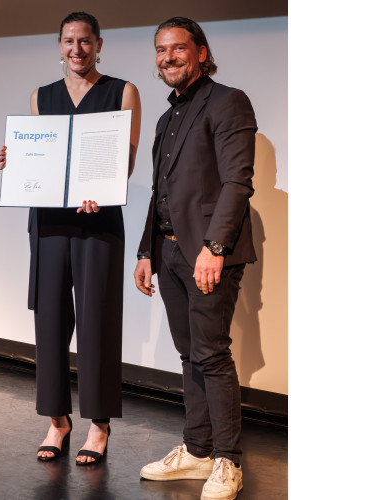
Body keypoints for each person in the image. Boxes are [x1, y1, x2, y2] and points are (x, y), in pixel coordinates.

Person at [0, 11, 141, 465]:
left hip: (98, 221)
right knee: (51, 320)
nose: (77, 49)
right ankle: (57, 420)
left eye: (85, 41)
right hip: (50, 223)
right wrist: (14, 160)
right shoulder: (42, 96)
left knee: (98, 321)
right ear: (59, 45)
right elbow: (43, 161)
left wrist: (105, 191)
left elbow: (124, 161)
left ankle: (98, 424)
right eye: (69, 41)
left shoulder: (123, 91)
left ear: (99, 45)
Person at [133, 17, 257, 500]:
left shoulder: (227, 101)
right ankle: (198, 449)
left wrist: (215, 248)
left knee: (211, 354)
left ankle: (228, 460)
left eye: (178, 48)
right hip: (168, 252)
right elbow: (160, 192)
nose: (168, 57)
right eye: (161, 50)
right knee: (190, 355)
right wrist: (147, 250)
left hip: (208, 253)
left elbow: (237, 183)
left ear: (201, 52)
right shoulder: (167, 118)